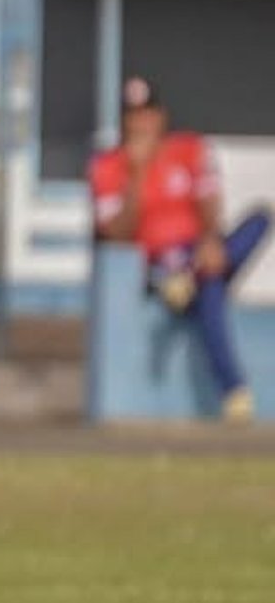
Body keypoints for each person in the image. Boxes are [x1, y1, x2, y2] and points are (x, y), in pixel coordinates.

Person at [91, 76, 269, 422]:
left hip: (200, 255)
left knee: (258, 220)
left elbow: (208, 203)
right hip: (157, 266)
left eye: (147, 114)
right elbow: (116, 234)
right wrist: (137, 175)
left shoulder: (187, 150)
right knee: (211, 291)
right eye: (132, 116)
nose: (140, 124)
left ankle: (192, 278)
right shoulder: (109, 166)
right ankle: (233, 387)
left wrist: (210, 241)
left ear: (161, 116)